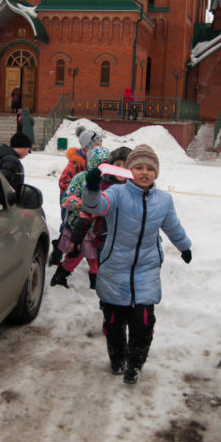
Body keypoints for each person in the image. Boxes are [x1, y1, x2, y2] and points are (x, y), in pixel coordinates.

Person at [81, 145, 192, 384]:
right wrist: (91, 188)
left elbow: (172, 226)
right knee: (113, 323)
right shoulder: (117, 193)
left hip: (146, 269)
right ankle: (117, 357)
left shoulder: (164, 200)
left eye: (149, 168)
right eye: (138, 167)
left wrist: (184, 246)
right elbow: (94, 206)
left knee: (143, 322)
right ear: (130, 170)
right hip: (114, 269)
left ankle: (135, 364)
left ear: (156, 172)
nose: (144, 172)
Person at [50, 146, 110, 289]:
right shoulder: (81, 178)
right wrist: (76, 204)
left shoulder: (109, 181)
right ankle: (60, 276)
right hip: (80, 225)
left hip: (98, 227)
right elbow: (67, 197)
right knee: (76, 255)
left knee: (94, 256)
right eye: (101, 164)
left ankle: (95, 282)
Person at [49, 127, 101, 266]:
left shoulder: (95, 159)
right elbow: (63, 181)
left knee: (83, 226)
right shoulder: (77, 161)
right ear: (87, 146)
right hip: (70, 199)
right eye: (96, 145)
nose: (99, 147)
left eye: (100, 144)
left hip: (85, 199)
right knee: (68, 225)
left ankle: (79, 255)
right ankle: (57, 254)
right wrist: (75, 192)